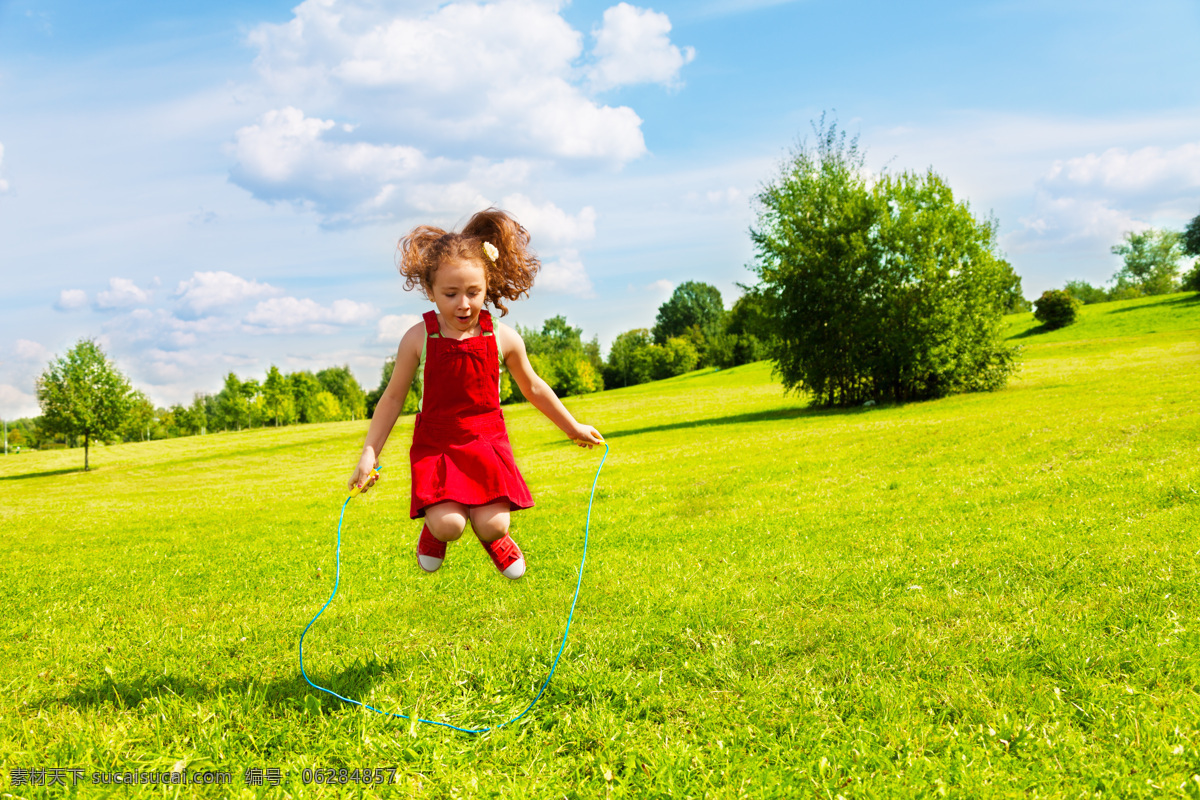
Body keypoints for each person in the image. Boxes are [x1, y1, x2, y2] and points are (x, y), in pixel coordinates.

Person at [349, 208, 604, 579]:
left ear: (488, 285)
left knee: (494, 524)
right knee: (450, 524)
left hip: (486, 440)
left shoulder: (502, 337)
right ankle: (434, 532)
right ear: (431, 291)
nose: (464, 304)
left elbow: (533, 387)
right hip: (437, 443)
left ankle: (496, 540)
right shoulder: (419, 338)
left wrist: (572, 427)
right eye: (450, 294)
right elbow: (391, 399)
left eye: (474, 292)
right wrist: (369, 453)